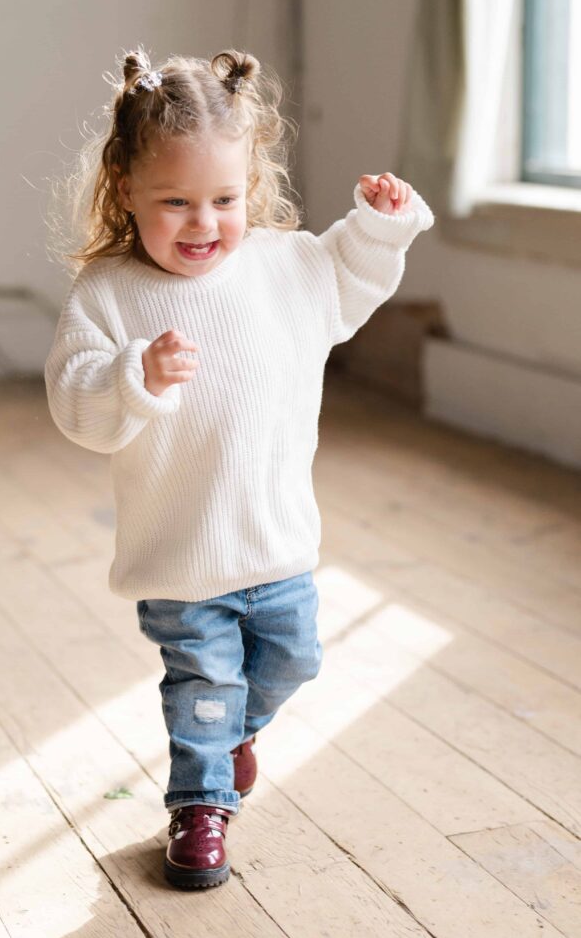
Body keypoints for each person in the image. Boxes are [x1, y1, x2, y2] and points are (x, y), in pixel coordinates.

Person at [44, 46, 434, 890]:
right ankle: (200, 806)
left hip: (278, 545)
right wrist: (132, 378)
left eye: (222, 199)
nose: (202, 223)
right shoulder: (109, 293)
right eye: (174, 202)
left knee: (293, 663)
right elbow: (76, 405)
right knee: (203, 688)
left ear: (250, 185)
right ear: (123, 190)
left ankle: (223, 741)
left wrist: (377, 223)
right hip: (182, 559)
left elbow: (348, 280)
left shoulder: (284, 266)